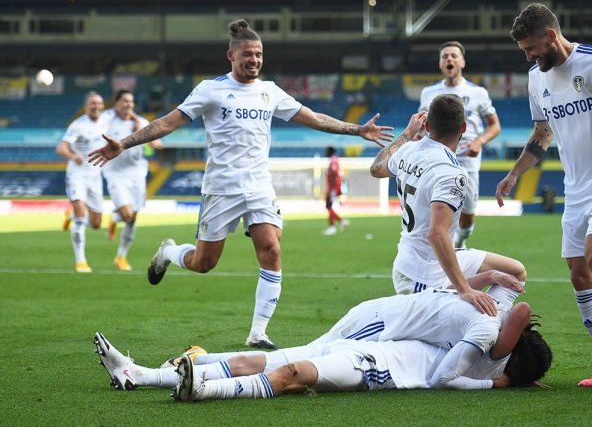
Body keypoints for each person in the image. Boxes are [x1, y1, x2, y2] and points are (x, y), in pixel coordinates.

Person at [88, 19, 394, 349]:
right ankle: (170, 252)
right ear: (231, 56)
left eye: (259, 54)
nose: (255, 60)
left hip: (259, 186)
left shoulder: (270, 91)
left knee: (272, 250)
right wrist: (125, 142)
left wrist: (356, 130)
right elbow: (167, 122)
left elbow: (315, 118)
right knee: (204, 264)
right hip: (221, 188)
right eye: (247, 54)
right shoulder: (210, 89)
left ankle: (258, 332)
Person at [496, 3, 592, 390]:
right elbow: (542, 135)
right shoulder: (537, 78)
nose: (529, 56)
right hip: (575, 189)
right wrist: (515, 173)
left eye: (531, 48)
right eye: (524, 52)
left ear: (551, 35)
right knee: (579, 274)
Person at [91, 303, 552, 400]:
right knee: (258, 360)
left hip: (381, 368)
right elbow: (518, 310)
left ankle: (203, 391)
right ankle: (141, 375)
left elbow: (440, 380)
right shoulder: (488, 340)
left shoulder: (491, 367)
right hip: (372, 345)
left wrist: (503, 381)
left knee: (296, 371)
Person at [370, 95, 525, 315]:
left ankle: (488, 320)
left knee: (515, 272)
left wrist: (406, 133)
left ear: (427, 124)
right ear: (463, 127)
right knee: (432, 342)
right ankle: (482, 326)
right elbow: (436, 233)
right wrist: (465, 289)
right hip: (421, 274)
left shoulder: (407, 149)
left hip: (424, 258)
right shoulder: (451, 172)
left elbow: (376, 168)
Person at [419, 41, 501, 249]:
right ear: (440, 63)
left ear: (462, 62)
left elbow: (495, 126)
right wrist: (417, 137)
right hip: (436, 158)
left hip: (466, 158)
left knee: (468, 215)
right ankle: (443, 248)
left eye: (454, 56)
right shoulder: (428, 93)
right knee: (436, 207)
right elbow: (421, 124)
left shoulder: (477, 92)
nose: (449, 59)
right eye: (445, 56)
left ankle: (460, 241)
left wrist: (479, 142)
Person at [100, 90, 161, 271]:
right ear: (116, 102)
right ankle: (115, 217)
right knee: (127, 215)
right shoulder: (107, 120)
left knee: (132, 218)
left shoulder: (141, 122)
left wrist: (155, 144)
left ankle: (121, 257)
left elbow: (154, 141)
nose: (128, 105)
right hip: (115, 173)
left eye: (131, 101)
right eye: (125, 101)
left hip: (137, 173)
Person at [55, 91, 106, 273]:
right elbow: (60, 147)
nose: (97, 106)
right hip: (77, 174)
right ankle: (81, 261)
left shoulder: (106, 121)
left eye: (99, 103)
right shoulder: (77, 126)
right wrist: (72, 156)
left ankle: (71, 216)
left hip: (95, 176)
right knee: (80, 217)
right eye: (93, 103)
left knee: (96, 224)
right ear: (86, 106)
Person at [322, 146, 349, 235]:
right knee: (329, 206)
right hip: (333, 188)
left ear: (329, 152)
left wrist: (333, 189)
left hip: (333, 188)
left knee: (329, 206)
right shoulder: (334, 160)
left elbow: (335, 174)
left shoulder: (334, 161)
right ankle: (338, 223)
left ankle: (334, 226)